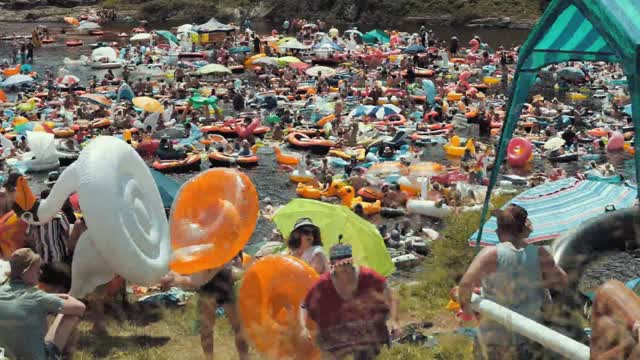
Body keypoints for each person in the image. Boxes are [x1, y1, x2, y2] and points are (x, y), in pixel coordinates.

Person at [458, 204, 568, 360]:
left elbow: (465, 286)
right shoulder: (541, 253)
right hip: (530, 334)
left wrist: (467, 311)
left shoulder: (490, 253)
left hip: (495, 337)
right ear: (523, 228)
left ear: (499, 230)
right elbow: (562, 282)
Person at [300, 244, 399, 359]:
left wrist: (394, 321)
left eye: (348, 264)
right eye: (341, 266)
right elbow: (304, 305)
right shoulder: (323, 284)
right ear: (333, 266)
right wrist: (303, 327)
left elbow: (391, 295)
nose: (346, 270)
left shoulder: (368, 276)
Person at [0, 248, 86, 360]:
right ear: (25, 271)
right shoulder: (38, 297)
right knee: (71, 315)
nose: (40, 273)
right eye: (37, 270)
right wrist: (64, 296)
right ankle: (66, 356)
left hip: (7, 355)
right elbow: (80, 307)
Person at [159, 255, 249, 360]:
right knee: (218, 329)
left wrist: (176, 279)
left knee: (226, 328)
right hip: (218, 282)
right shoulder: (222, 244)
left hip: (216, 282)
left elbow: (197, 279)